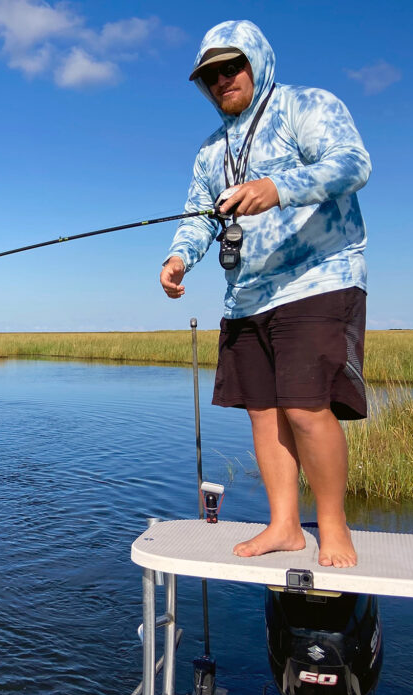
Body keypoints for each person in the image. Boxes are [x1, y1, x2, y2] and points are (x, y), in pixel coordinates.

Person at [159, 20, 371, 568]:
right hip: (246, 296)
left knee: (305, 408)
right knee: (263, 413)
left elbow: (353, 164)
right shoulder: (210, 153)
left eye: (232, 67)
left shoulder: (305, 106)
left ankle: (332, 525)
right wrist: (179, 258)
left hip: (319, 278)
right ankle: (284, 527)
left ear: (256, 61)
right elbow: (197, 217)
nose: (222, 80)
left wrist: (276, 188)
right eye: (210, 76)